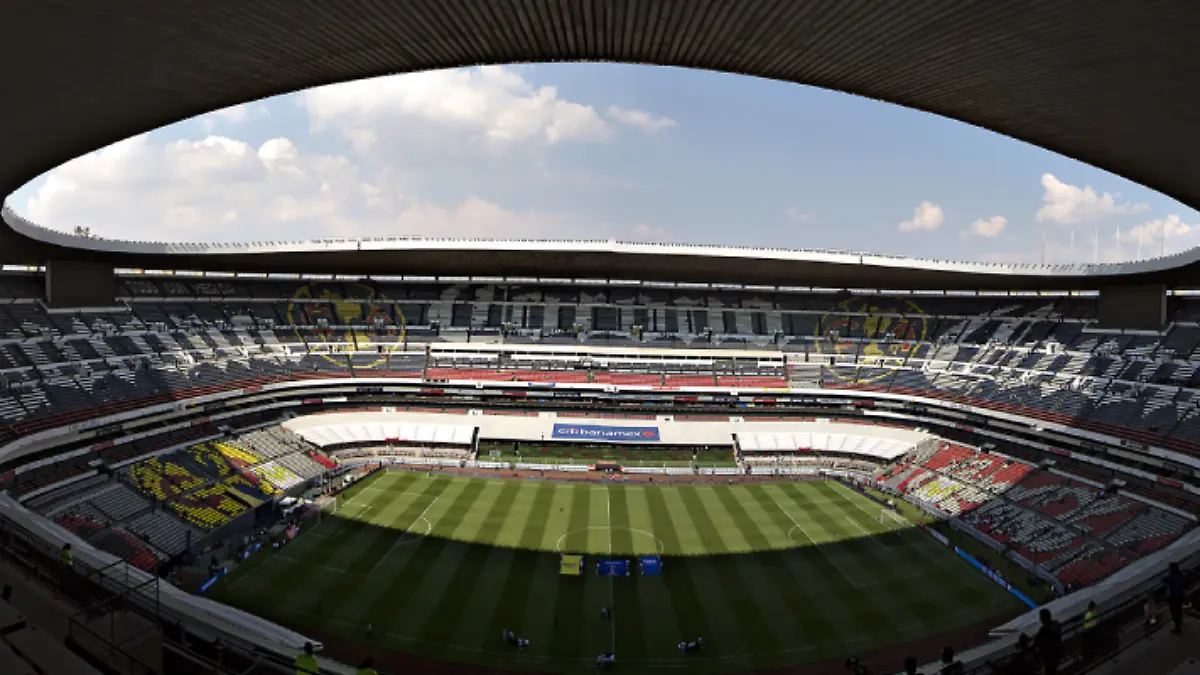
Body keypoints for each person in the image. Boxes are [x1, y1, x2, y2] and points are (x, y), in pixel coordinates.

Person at [1034, 608, 1062, 675]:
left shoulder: (1043, 631)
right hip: (1056, 655)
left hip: (1049, 658)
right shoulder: (1056, 624)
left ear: (1043, 619)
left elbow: (1036, 642)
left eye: (1041, 617)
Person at [1167, 562, 1186, 634]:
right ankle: (1179, 623)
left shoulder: (1171, 577)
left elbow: (1171, 584)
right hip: (1180, 596)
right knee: (1179, 610)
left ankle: (1177, 627)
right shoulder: (1179, 575)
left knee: (1174, 612)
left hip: (1173, 597)